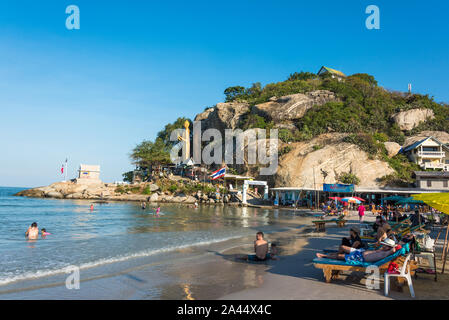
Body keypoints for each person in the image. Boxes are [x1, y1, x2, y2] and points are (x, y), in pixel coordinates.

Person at [316, 238, 398, 263]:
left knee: (340, 256)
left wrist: (393, 247)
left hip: (359, 258)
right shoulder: (383, 250)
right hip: (360, 253)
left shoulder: (386, 253)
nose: (382, 245)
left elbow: (394, 249)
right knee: (342, 250)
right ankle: (328, 255)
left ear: (388, 247)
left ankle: (324, 256)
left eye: (385, 245)